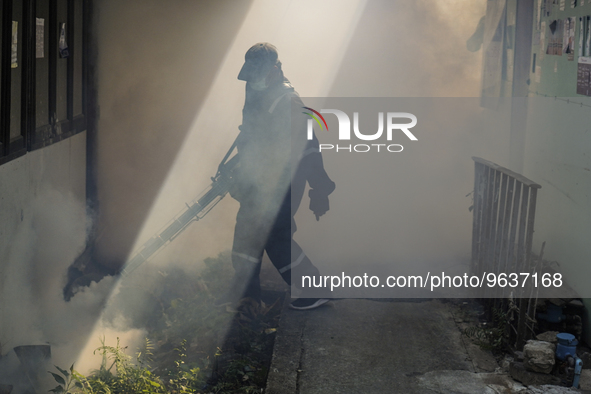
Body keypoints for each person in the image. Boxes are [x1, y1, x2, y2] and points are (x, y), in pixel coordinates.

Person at [224, 42, 335, 310]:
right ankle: (246, 296)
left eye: (257, 74)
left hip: (286, 181)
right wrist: (238, 168)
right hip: (260, 179)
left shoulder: (289, 102)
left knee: (275, 236)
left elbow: (310, 150)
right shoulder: (254, 89)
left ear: (274, 70)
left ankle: (315, 290)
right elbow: (252, 135)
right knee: (246, 233)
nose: (252, 80)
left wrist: (319, 190)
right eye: (250, 74)